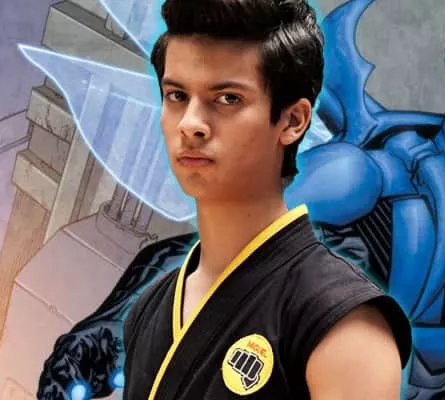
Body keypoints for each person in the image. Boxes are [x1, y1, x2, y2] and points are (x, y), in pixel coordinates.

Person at [121, 0, 412, 399]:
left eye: (227, 99)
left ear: (293, 121)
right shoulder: (150, 307)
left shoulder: (345, 328)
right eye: (176, 96)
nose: (190, 124)